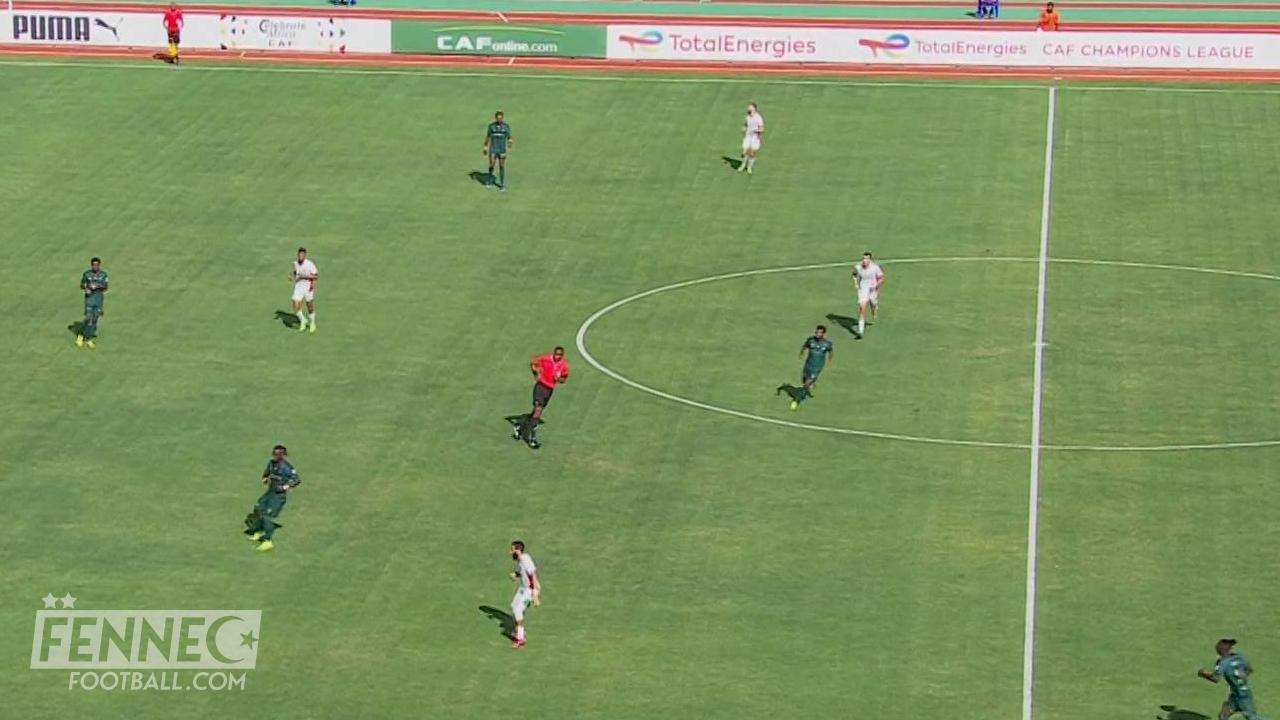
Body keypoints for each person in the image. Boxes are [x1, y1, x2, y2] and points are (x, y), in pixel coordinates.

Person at [243, 445, 302, 553]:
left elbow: (296, 480)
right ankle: (258, 532)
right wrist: (265, 478)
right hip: (269, 493)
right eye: (274, 453)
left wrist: (284, 487)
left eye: (277, 454)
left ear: (282, 455)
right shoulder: (271, 463)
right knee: (258, 508)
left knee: (267, 516)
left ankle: (268, 541)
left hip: (278, 496)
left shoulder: (286, 467)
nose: (274, 455)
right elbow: (266, 473)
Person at [515, 347, 569, 450]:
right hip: (541, 387)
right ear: (554, 353)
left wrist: (559, 379)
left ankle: (519, 425)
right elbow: (533, 362)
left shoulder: (564, 365)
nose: (557, 356)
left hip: (550, 389)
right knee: (538, 409)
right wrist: (535, 373)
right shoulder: (545, 359)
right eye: (556, 354)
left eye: (560, 355)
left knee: (536, 411)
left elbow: (564, 378)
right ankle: (532, 438)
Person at [1199, 638, 1266, 720]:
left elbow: (1215, 678)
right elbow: (1249, 670)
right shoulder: (1240, 657)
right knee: (1223, 716)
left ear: (1221, 651)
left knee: (1253, 718)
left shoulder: (1223, 662)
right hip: (1240, 694)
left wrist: (1203, 674)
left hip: (1242, 697)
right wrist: (1240, 677)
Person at [792, 325, 834, 411]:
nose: (817, 334)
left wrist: (830, 361)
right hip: (808, 364)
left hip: (817, 367)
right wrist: (801, 353)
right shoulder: (811, 340)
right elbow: (805, 346)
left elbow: (830, 352)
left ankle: (796, 400)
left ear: (824, 334)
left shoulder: (827, 344)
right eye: (816, 332)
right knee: (804, 380)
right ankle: (810, 385)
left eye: (819, 333)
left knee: (806, 384)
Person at [508, 540, 540, 649]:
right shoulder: (521, 560)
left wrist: (535, 594)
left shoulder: (526, 560)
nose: (510, 552)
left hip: (530, 590)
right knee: (514, 606)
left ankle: (521, 638)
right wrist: (515, 574)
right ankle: (519, 630)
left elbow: (533, 575)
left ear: (518, 551)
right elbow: (522, 572)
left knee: (518, 610)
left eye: (512, 550)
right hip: (523, 588)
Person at [76, 257, 109, 349]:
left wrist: (97, 285)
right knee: (88, 318)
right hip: (90, 299)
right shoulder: (87, 274)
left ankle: (88, 338)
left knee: (95, 319)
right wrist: (86, 289)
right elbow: (82, 285)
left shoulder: (103, 275)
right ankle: (80, 335)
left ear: (99, 265)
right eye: (93, 265)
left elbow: (106, 287)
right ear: (91, 265)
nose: (95, 266)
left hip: (99, 299)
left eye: (97, 265)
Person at [851, 252, 885, 337]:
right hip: (863, 289)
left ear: (870, 260)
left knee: (873, 303)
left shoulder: (875, 268)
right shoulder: (858, 267)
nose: (864, 260)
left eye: (866, 259)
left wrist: (876, 286)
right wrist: (856, 283)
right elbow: (854, 274)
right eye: (863, 258)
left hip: (872, 289)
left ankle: (874, 308)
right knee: (862, 308)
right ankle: (860, 331)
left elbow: (882, 278)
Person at [289, 247, 318, 334]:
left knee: (310, 306)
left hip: (308, 286)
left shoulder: (310, 264)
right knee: (295, 304)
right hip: (299, 286)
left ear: (305, 256)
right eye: (299, 255)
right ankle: (303, 320)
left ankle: (312, 323)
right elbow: (297, 272)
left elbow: (316, 276)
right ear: (297, 255)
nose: (300, 256)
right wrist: (292, 275)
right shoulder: (295, 263)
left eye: (302, 255)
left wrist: (304, 277)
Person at [483, 111, 513, 191]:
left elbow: (509, 137)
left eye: (501, 118)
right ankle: (489, 181)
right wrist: (485, 146)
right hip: (493, 149)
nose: (499, 120)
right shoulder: (491, 126)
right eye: (498, 118)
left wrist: (510, 142)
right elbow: (488, 137)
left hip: (502, 150)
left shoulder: (506, 126)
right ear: (495, 118)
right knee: (492, 165)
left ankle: (502, 185)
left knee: (502, 166)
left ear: (503, 118)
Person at [739, 103, 764, 175]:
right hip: (748, 136)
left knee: (752, 154)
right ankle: (743, 165)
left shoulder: (758, 118)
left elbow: (762, 129)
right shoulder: (747, 116)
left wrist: (756, 131)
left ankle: (749, 167)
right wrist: (744, 128)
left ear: (754, 110)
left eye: (750, 108)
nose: (748, 109)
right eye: (748, 108)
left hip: (755, 138)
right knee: (745, 151)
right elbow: (746, 124)